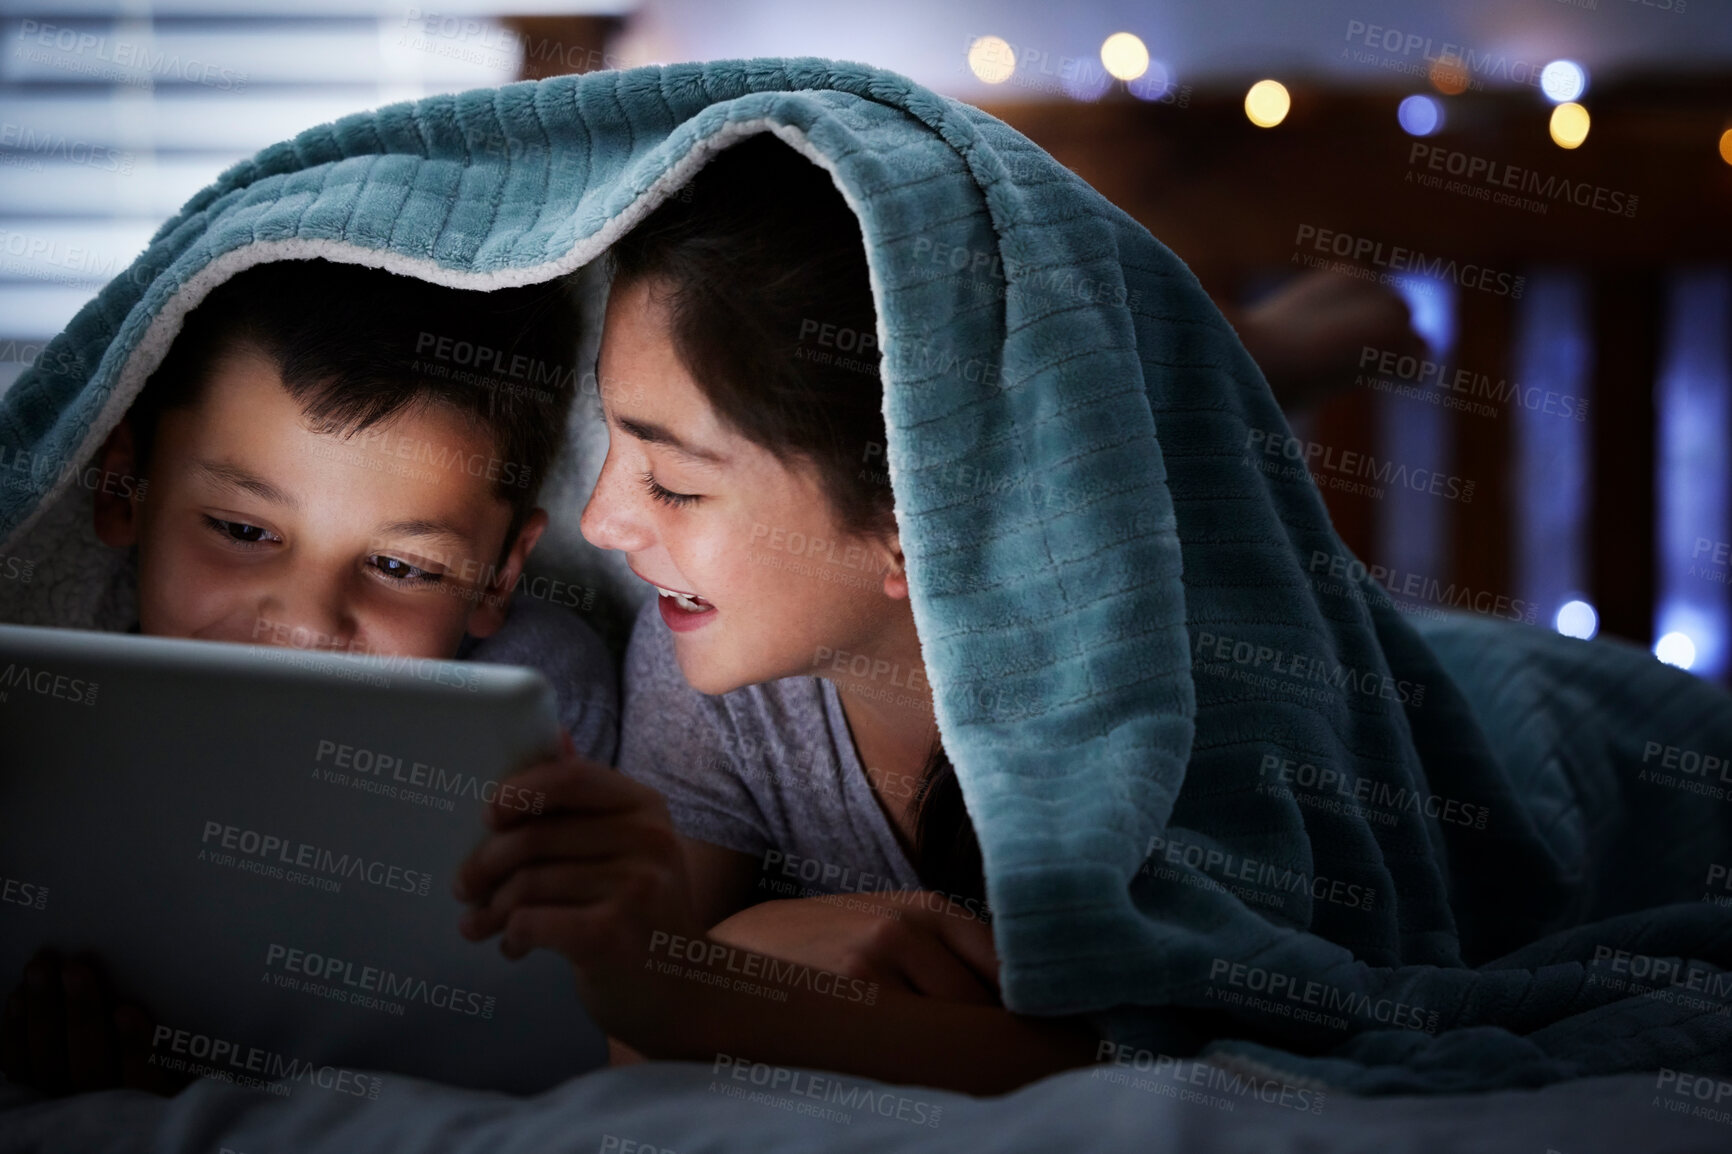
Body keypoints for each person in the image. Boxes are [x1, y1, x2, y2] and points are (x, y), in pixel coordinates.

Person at [452, 135, 1101, 1095]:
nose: (599, 523)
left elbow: (1156, 1056)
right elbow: (638, 1051)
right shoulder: (701, 671)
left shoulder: (1121, 710)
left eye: (672, 482)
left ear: (911, 519)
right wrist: (716, 961)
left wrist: (714, 978)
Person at [2, 258, 620, 1096]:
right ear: (123, 488)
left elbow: (543, 1022)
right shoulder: (36, 702)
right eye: (239, 529)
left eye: (403, 566)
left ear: (501, 577)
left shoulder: (546, 698)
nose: (305, 623)